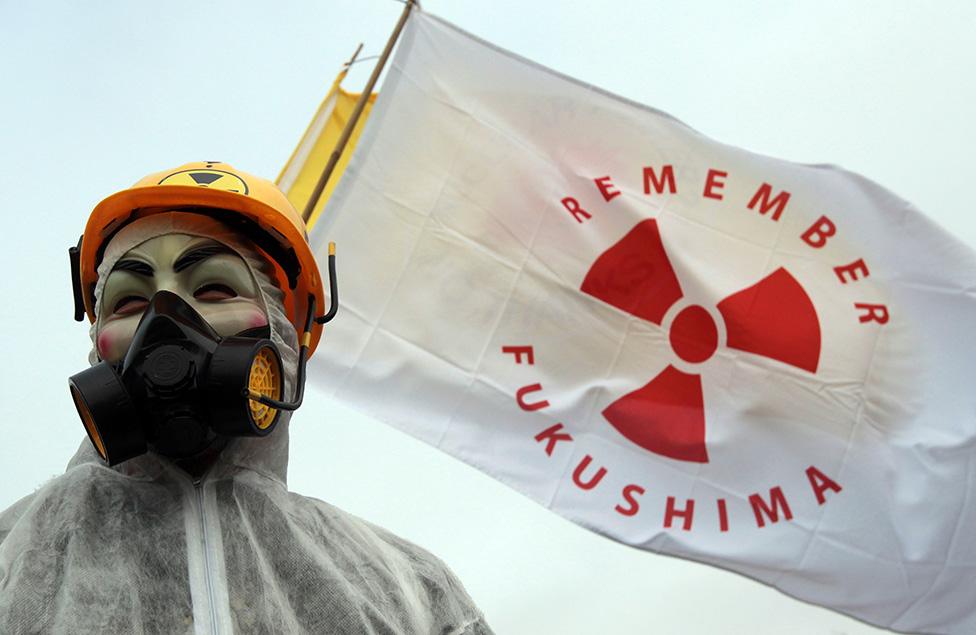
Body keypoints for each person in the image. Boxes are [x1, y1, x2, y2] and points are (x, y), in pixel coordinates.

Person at [0, 162, 492, 634]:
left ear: (283, 338)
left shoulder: (410, 590)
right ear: (97, 343)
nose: (166, 320)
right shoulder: (12, 557)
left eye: (214, 289)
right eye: (129, 301)